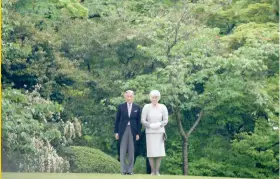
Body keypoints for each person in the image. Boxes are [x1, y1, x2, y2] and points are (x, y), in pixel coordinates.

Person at [141, 90, 168, 176]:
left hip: (160, 132)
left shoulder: (163, 107)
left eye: (156, 97)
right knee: (151, 152)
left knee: (159, 152)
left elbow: (166, 120)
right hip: (150, 132)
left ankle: (157, 171)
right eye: (153, 97)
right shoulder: (146, 107)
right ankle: (152, 171)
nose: (154, 99)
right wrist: (150, 125)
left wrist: (160, 124)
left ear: (158, 98)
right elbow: (143, 120)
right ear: (150, 98)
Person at [114, 90, 142, 175]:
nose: (129, 98)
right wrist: (116, 132)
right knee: (122, 150)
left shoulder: (137, 107)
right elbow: (117, 120)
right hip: (122, 130)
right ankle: (123, 170)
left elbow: (138, 121)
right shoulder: (121, 106)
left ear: (133, 97)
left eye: (130, 96)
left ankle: (130, 170)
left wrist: (138, 133)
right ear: (125, 97)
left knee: (131, 150)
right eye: (127, 96)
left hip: (133, 130)